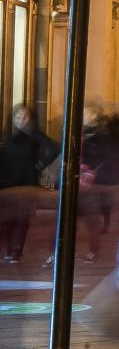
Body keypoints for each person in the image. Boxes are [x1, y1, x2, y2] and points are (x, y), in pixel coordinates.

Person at [2, 106, 56, 264]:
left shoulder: (33, 134)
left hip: (27, 182)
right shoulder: (8, 135)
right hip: (9, 181)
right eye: (18, 116)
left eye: (25, 117)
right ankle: (9, 248)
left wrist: (39, 166)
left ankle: (17, 251)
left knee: (21, 217)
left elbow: (54, 148)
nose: (21, 120)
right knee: (8, 217)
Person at [79, 105, 119, 263]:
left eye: (86, 114)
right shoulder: (85, 133)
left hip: (102, 181)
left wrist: (90, 168)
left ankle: (103, 252)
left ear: (94, 116)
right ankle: (95, 251)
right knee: (93, 219)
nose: (83, 117)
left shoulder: (103, 134)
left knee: (103, 219)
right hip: (92, 182)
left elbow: (114, 155)